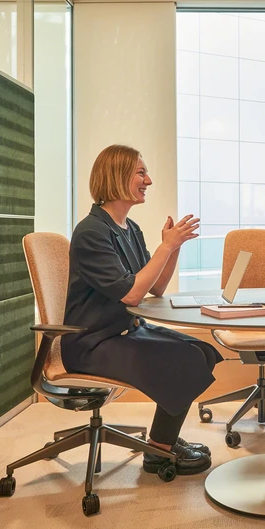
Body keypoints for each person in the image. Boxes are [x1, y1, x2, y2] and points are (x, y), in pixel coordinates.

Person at [61, 144, 220, 476]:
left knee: (201, 351)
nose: (149, 180)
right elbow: (133, 294)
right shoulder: (91, 232)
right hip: (92, 343)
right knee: (186, 359)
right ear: (118, 176)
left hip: (124, 331)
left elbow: (156, 287)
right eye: (141, 172)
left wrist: (171, 249)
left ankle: (162, 441)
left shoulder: (130, 230)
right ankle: (159, 453)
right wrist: (166, 246)